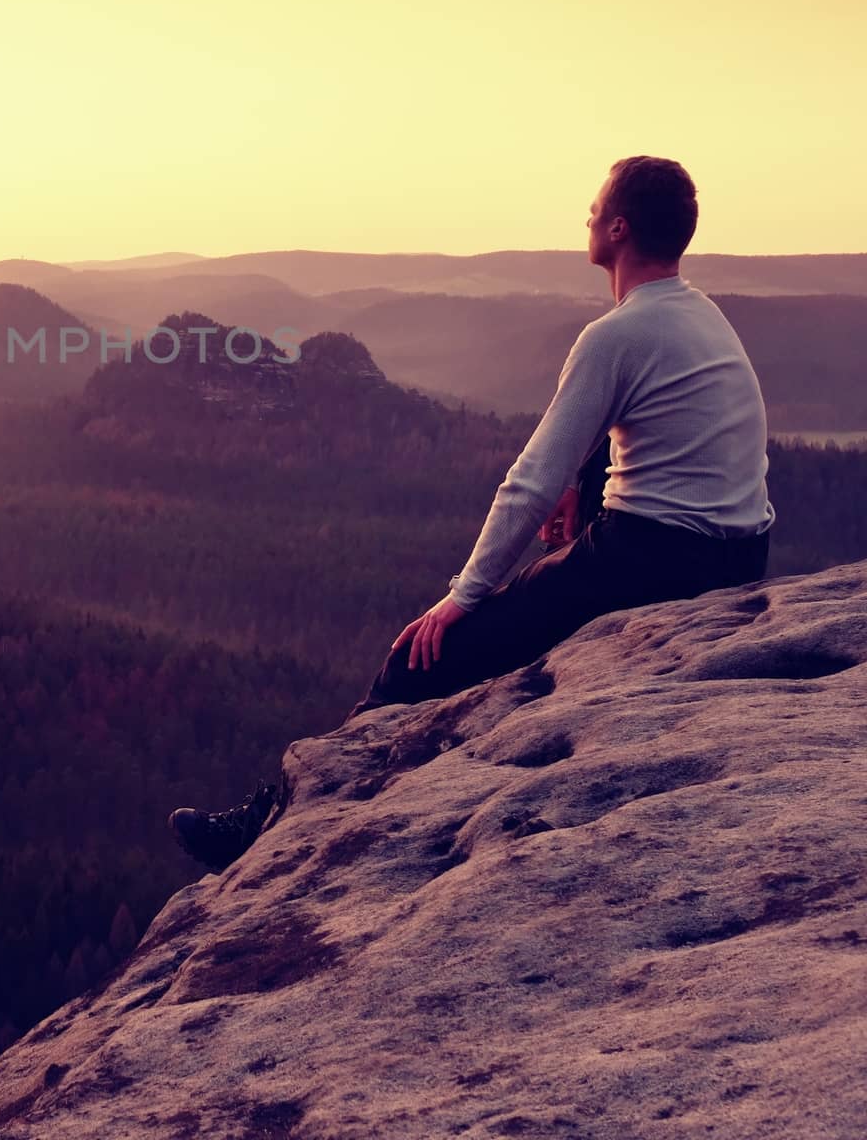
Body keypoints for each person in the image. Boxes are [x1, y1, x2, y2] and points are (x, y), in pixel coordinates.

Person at [168, 155, 776, 872]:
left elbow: (528, 480)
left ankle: (272, 825)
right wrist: (582, 488)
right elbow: (633, 436)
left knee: (419, 657)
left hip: (652, 558)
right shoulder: (700, 315)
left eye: (595, 207)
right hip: (740, 554)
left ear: (618, 227)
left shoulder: (614, 337)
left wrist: (463, 596)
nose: (585, 217)